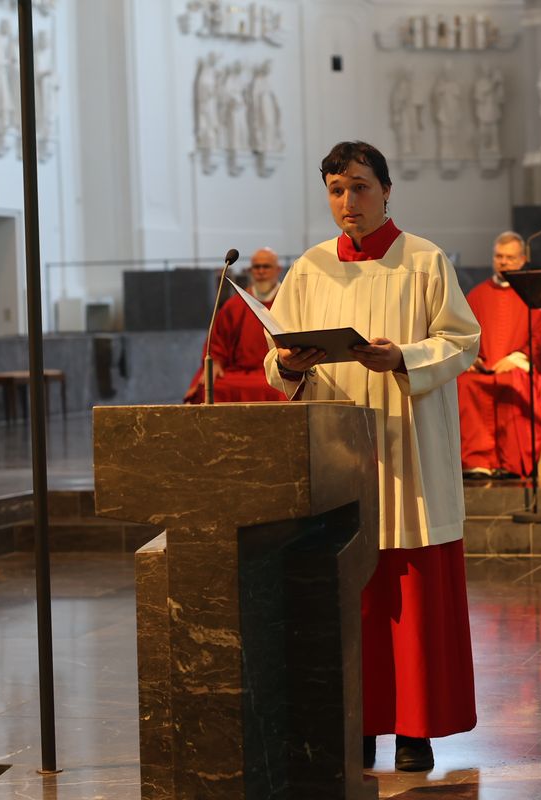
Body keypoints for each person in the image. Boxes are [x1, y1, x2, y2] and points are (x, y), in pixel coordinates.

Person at [265, 141, 480, 773]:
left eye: (359, 187)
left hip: (408, 448)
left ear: (387, 190)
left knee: (411, 596)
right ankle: (354, 724)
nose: (347, 202)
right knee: (347, 595)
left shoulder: (424, 260)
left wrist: (404, 358)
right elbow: (278, 358)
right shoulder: (309, 269)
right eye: (336, 190)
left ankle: (415, 730)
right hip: (339, 450)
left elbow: (463, 340)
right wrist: (289, 362)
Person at [457, 232, 541, 479]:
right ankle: (477, 462)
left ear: (522, 260)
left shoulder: (535, 294)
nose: (503, 262)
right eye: (499, 256)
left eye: (509, 257)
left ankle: (512, 462)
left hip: (520, 368)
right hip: (484, 369)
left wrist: (517, 358)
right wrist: (472, 358)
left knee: (513, 383)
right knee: (465, 384)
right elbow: (464, 334)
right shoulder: (476, 295)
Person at [184, 248, 286, 403]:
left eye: (266, 266)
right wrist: (216, 362)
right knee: (211, 388)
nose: (261, 271)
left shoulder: (288, 301)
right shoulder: (236, 304)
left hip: (278, 371)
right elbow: (218, 340)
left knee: (283, 390)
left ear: (278, 269)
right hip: (239, 373)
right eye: (256, 267)